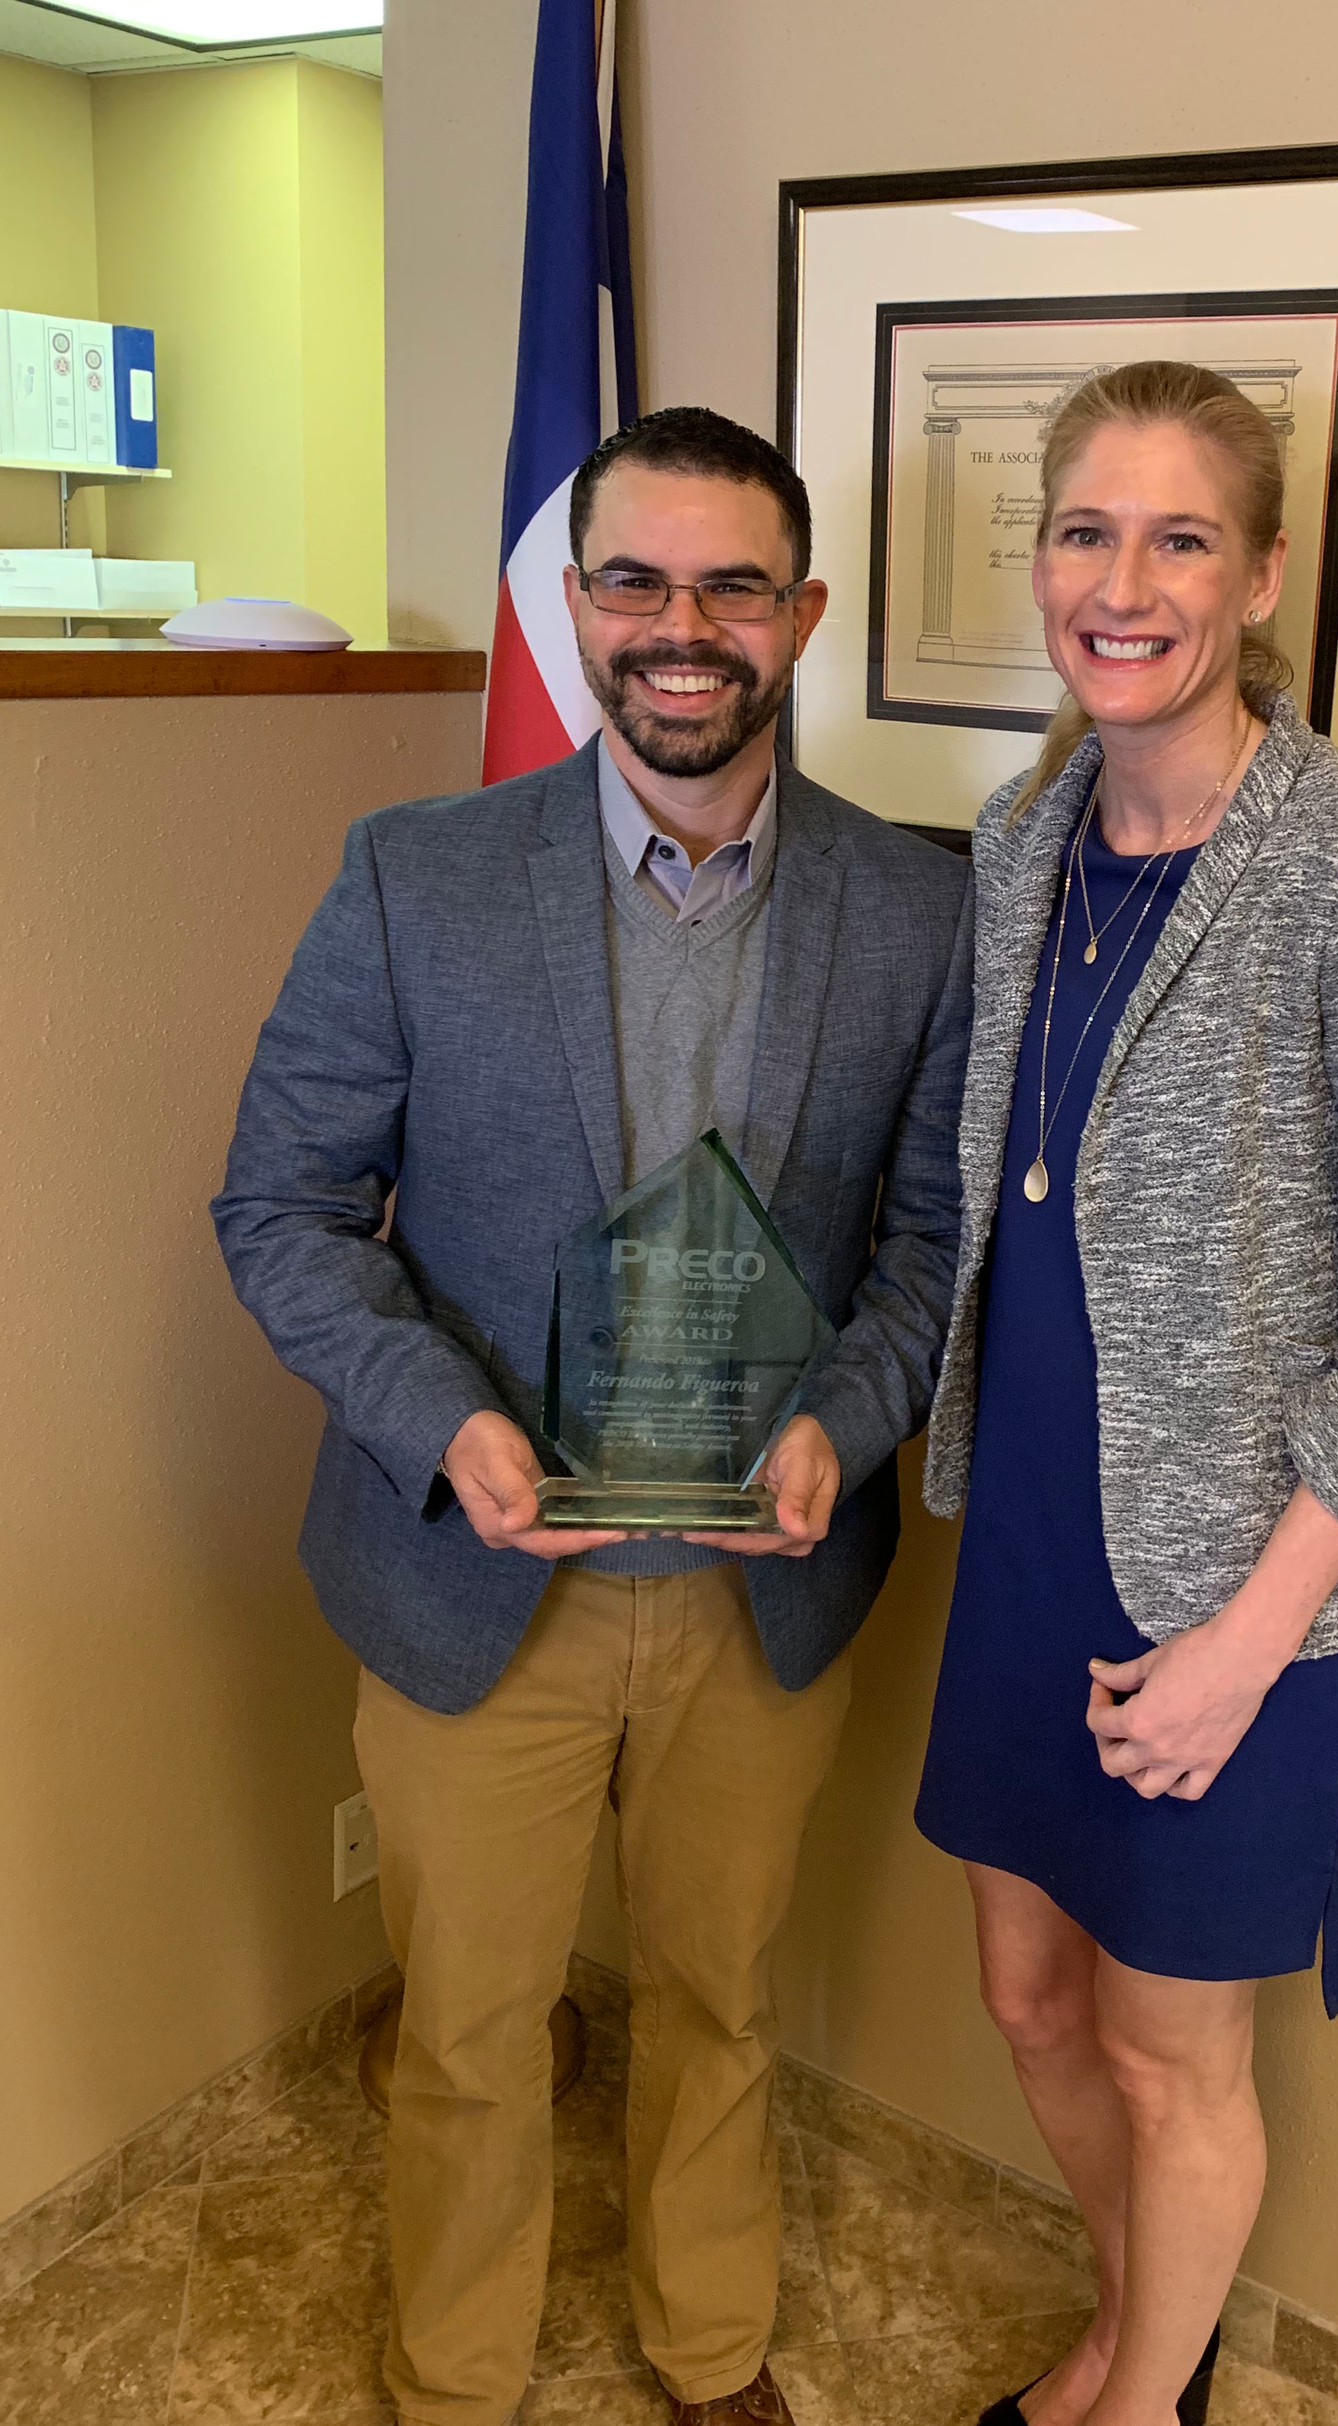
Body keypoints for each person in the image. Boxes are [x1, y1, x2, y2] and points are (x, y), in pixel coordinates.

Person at [213, 406, 972, 2426]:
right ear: (574, 610)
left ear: (801, 615)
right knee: (471, 2026)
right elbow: (279, 1211)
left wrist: (852, 1417)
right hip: (482, 1573)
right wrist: (440, 1421)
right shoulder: (414, 879)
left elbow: (925, 1249)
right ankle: (457, 2378)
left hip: (762, 1590)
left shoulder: (919, 910)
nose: (682, 626)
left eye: (734, 583)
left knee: (720, 2003)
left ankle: (705, 2340)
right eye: (635, 579)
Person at [916, 361, 1338, 2426]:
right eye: (1086, 529)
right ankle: (1130, 2332)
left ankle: (1141, 2399)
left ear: (1262, 577)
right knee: (1025, 1989)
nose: (1123, 579)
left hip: (1244, 1592)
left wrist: (1244, 1649)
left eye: (1181, 537)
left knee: (1181, 2057)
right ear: (1040, 556)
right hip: (1028, 1540)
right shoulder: (1022, 835)